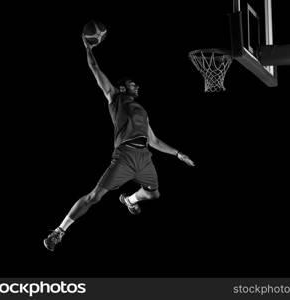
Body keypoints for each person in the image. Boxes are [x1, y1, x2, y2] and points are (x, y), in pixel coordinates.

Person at [43, 32, 195, 251]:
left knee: (154, 194)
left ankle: (130, 200)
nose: (137, 86)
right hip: (124, 157)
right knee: (94, 197)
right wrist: (88, 49)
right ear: (123, 87)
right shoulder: (115, 98)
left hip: (144, 157)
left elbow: (154, 140)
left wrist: (179, 154)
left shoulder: (143, 111)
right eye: (133, 84)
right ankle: (59, 232)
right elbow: (96, 70)